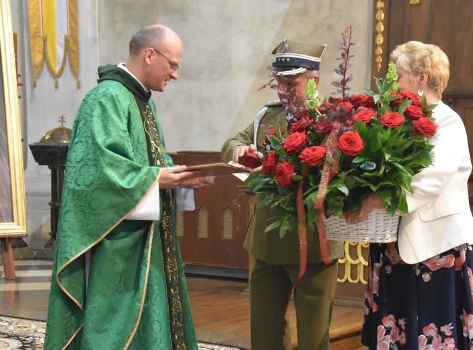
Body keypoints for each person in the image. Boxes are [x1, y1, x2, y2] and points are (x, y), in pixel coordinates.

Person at [44, 24, 211, 350]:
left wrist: (180, 179)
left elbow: (146, 162)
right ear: (149, 54)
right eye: (173, 65)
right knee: (117, 328)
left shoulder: (141, 100)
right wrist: (154, 179)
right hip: (114, 244)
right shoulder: (105, 99)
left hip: (144, 238)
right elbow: (97, 175)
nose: (175, 75)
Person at [346, 41, 473, 349]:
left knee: (433, 337)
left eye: (399, 75)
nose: (392, 83)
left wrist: (376, 200)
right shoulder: (398, 121)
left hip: (437, 247)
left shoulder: (447, 121)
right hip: (394, 242)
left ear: (421, 79)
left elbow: (431, 180)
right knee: (395, 335)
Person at [221, 39, 345, 350]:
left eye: (292, 83)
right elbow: (232, 143)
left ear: (314, 80)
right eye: (279, 82)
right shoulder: (267, 116)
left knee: (313, 337)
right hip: (266, 242)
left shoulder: (335, 119)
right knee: (265, 334)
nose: (283, 90)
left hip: (314, 243)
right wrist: (238, 148)